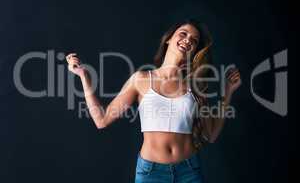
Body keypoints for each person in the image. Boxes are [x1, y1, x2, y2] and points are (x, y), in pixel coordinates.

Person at [65, 18, 241, 182]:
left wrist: (227, 93)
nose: (188, 40)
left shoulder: (195, 86)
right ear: (168, 39)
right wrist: (84, 77)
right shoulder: (141, 79)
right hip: (151, 173)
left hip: (189, 171)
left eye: (194, 40)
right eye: (183, 33)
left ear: (194, 50)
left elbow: (211, 134)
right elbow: (101, 120)